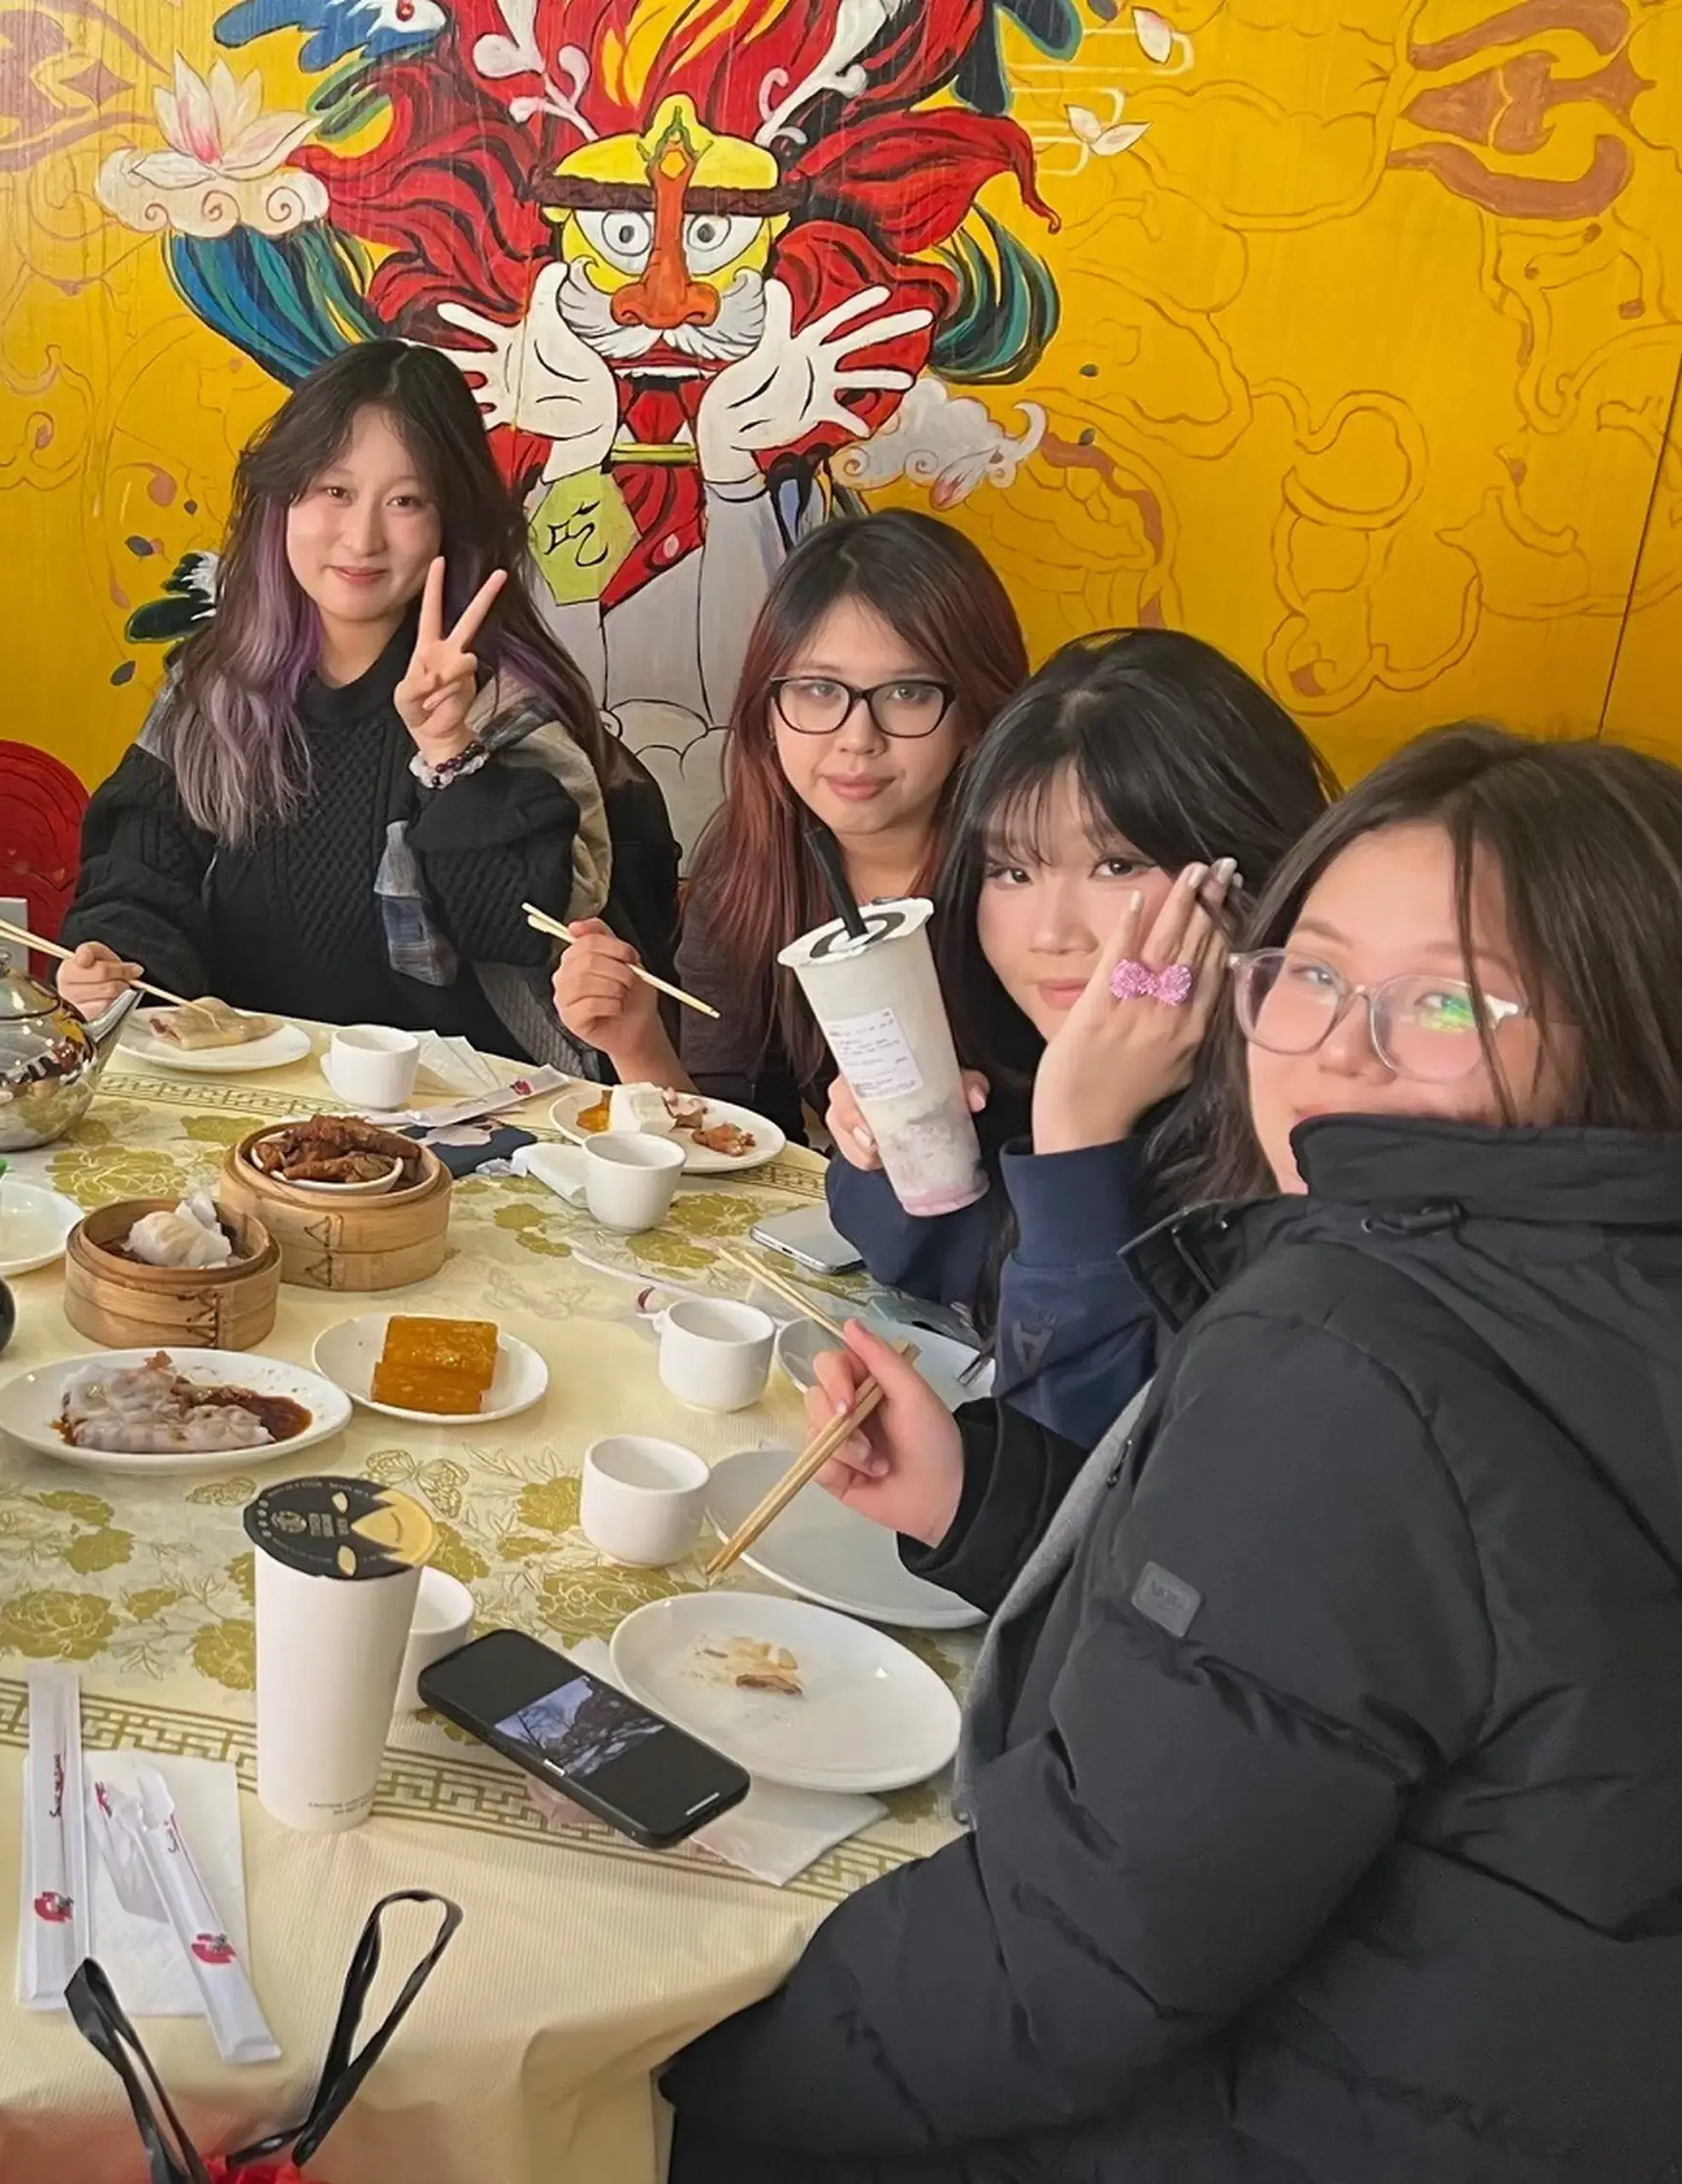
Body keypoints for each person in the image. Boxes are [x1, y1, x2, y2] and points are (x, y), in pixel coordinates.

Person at [662, 723, 1682, 2183]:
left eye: (1449, 1007)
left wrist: (676, 2070)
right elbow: (1348, 1640)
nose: (1339, 1045)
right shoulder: (1582, 1291)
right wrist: (989, 1498)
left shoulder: (1356, 1337)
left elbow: (1074, 1958)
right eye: (1314, 976)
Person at [59, 340, 678, 1067]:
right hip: (243, 1098)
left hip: (465, 1119)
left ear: (452, 521)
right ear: (282, 500)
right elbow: (141, 881)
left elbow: (524, 933)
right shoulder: (215, 692)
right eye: (333, 490)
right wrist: (112, 965)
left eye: (406, 501)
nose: (361, 537)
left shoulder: (503, 707)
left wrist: (452, 754)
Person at [826, 629, 1335, 1445]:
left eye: (1117, 865)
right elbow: (922, 1256)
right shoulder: (1030, 1053)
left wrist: (1077, 1144)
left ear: (1245, 869)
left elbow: (1075, 1457)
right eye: (1013, 872)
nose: (1050, 933)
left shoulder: (1299, 1146)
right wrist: (908, 1129)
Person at [550, 510, 1028, 1141]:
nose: (858, 739)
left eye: (908, 693)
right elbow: (746, 1148)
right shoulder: (750, 866)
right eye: (819, 690)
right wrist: (635, 1044)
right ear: (768, 709)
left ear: (977, 707)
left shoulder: (1035, 876)